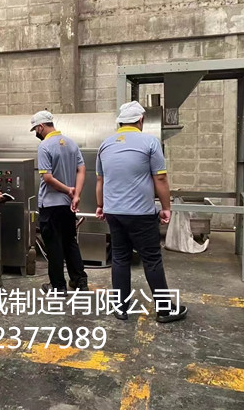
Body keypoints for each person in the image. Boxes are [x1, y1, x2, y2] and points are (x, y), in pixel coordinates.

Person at [95, 101, 187, 323]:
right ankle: (165, 310)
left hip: (114, 212)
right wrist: (166, 207)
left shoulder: (105, 144)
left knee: (120, 258)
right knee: (151, 259)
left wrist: (100, 205)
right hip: (141, 214)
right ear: (140, 120)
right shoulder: (150, 142)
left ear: (120, 122)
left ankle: (120, 307)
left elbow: (100, 180)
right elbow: (160, 178)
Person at [31, 110, 88, 293]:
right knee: (70, 241)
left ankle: (58, 286)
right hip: (68, 204)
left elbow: (47, 177)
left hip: (50, 205)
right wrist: (76, 194)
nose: (36, 133)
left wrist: (67, 189)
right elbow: (81, 169)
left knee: (54, 245)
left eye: (36, 129)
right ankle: (79, 281)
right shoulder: (71, 143)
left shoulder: (44, 146)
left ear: (41, 127)